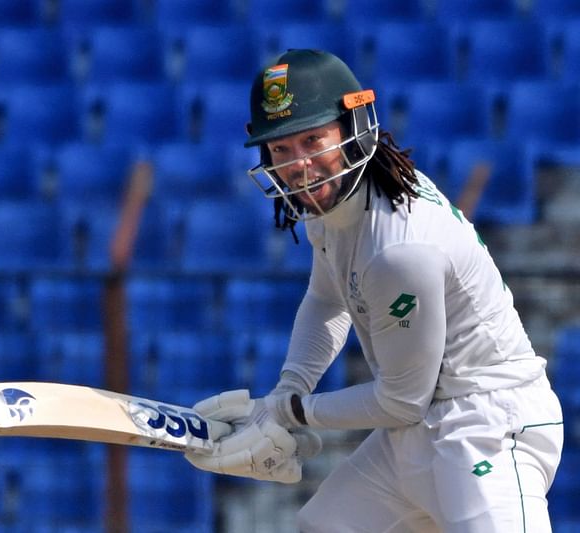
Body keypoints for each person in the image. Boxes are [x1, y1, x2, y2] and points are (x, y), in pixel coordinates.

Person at [183, 49, 564, 532]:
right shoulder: (335, 208)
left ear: (352, 128)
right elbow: (325, 302)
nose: (299, 167)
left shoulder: (399, 249)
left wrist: (291, 412)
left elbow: (403, 398)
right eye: (281, 149)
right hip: (413, 433)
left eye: (312, 140)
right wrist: (288, 388)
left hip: (484, 426)